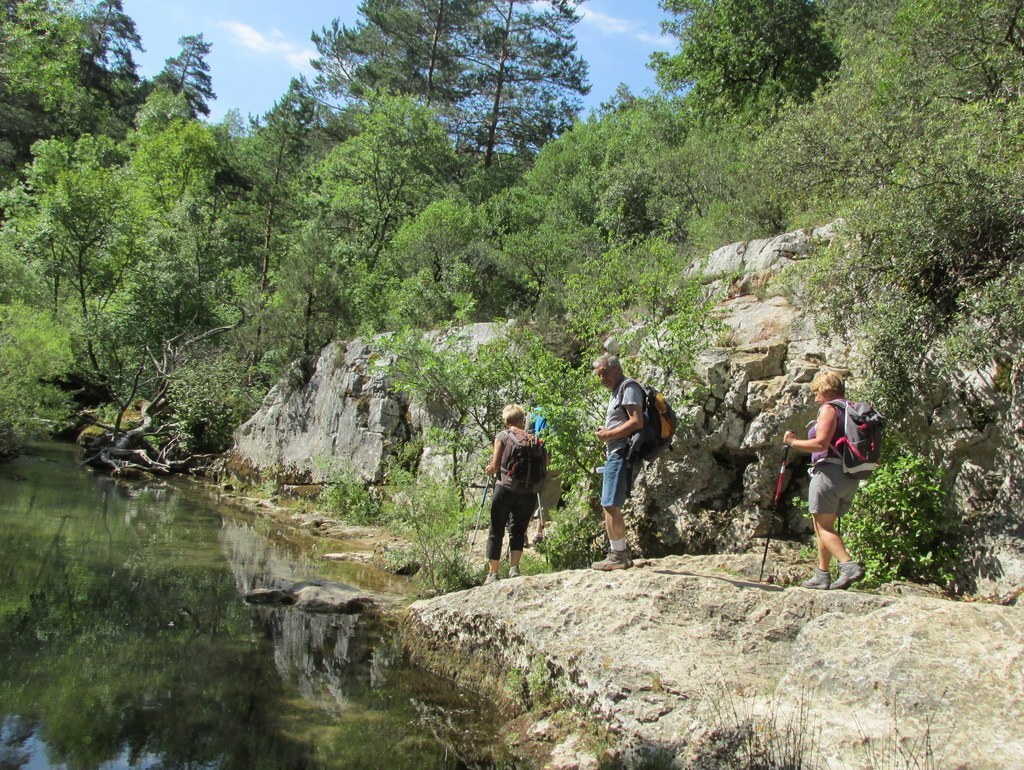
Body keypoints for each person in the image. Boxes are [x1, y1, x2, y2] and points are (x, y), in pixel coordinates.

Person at [783, 370, 866, 590]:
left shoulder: (830, 408)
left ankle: (848, 565)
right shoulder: (852, 410)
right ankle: (822, 574)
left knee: (823, 529)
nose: (815, 398)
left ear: (827, 390)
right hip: (849, 476)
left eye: (816, 393)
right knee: (824, 526)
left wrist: (793, 442)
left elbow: (820, 444)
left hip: (828, 473)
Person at [591, 354, 645, 570]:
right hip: (615, 450)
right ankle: (617, 552)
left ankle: (619, 555)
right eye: (598, 375)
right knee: (607, 503)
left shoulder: (628, 386)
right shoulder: (617, 391)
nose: (602, 378)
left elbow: (636, 421)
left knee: (610, 504)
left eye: (604, 372)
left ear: (616, 369)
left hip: (622, 450)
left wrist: (610, 434)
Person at [482, 404, 541, 585]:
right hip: (529, 492)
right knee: (518, 529)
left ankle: (493, 574)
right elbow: (546, 462)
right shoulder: (534, 439)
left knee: (497, 529)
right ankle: (514, 569)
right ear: (522, 420)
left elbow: (494, 466)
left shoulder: (502, 436)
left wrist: (489, 469)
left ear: (506, 420)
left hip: (505, 489)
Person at [528, 407, 561, 544]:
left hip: (535, 455)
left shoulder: (534, 412)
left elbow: (528, 434)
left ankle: (523, 534)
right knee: (548, 492)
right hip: (555, 456)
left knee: (531, 492)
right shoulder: (562, 410)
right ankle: (538, 532)